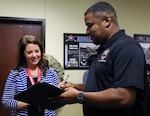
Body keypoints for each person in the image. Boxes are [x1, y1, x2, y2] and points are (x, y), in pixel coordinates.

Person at [58, 2, 150, 116]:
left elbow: (124, 96)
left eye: (89, 25)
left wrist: (79, 96)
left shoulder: (127, 47)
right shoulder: (105, 48)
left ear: (107, 21)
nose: (86, 31)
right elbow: (102, 86)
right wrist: (75, 86)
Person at [1, 35, 59, 116]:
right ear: (23, 54)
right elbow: (6, 102)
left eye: (37, 51)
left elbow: (57, 98)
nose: (34, 55)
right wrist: (30, 101)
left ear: (41, 52)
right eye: (29, 52)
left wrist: (60, 90)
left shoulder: (50, 72)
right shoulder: (15, 74)